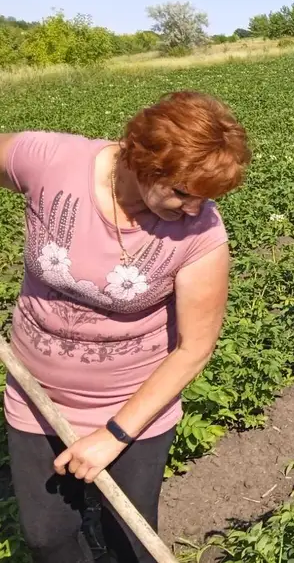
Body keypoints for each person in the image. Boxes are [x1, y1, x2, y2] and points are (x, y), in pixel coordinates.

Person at [0, 90, 251, 563]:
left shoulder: (202, 234)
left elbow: (193, 348)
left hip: (134, 405)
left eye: (205, 198)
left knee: (130, 542)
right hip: (35, 393)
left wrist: (114, 434)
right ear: (144, 160)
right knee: (47, 538)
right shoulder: (51, 161)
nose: (193, 209)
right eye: (181, 192)